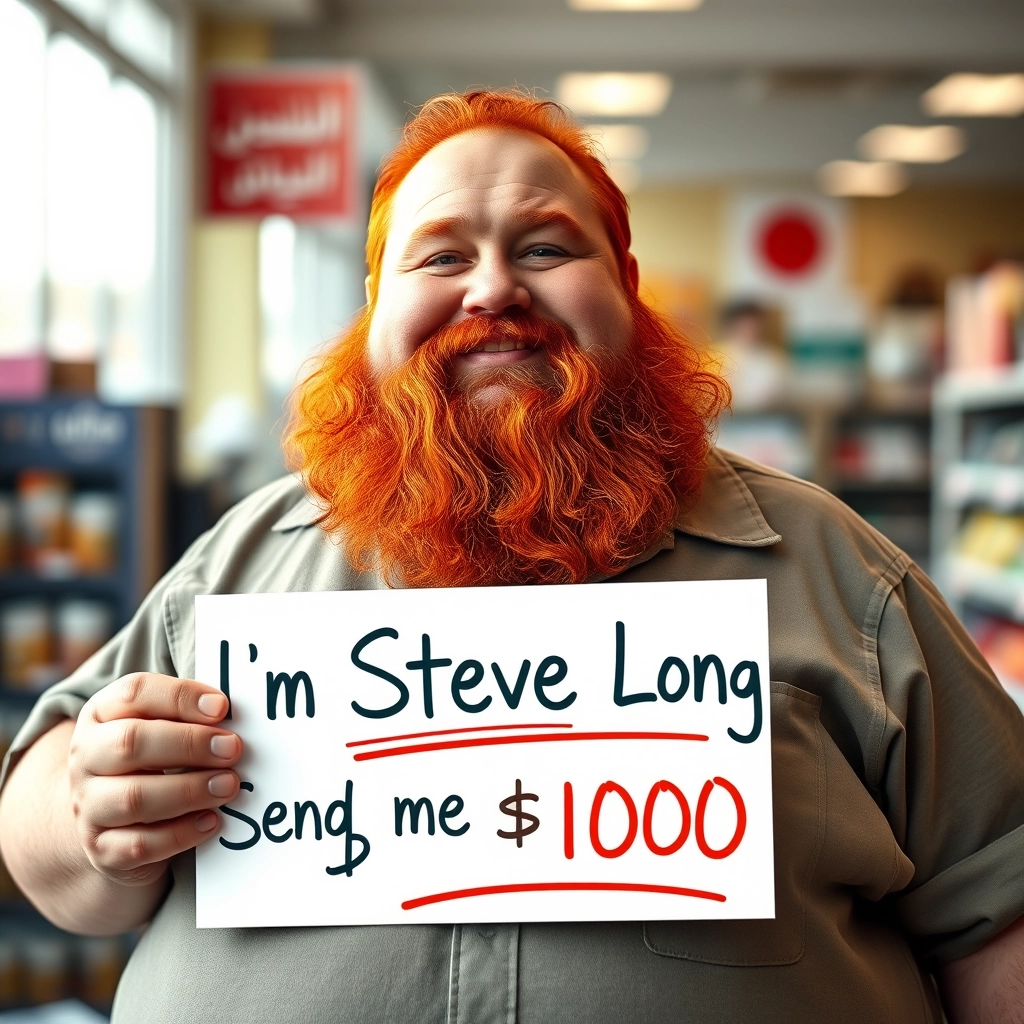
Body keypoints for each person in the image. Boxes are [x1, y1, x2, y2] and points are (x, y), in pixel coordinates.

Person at [2, 91, 1023, 1024]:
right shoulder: (240, 559)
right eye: (440, 257)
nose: (492, 288)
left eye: (543, 247)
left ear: (625, 288)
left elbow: (1001, 909)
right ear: (374, 311)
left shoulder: (839, 576)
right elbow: (51, 846)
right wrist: (89, 809)